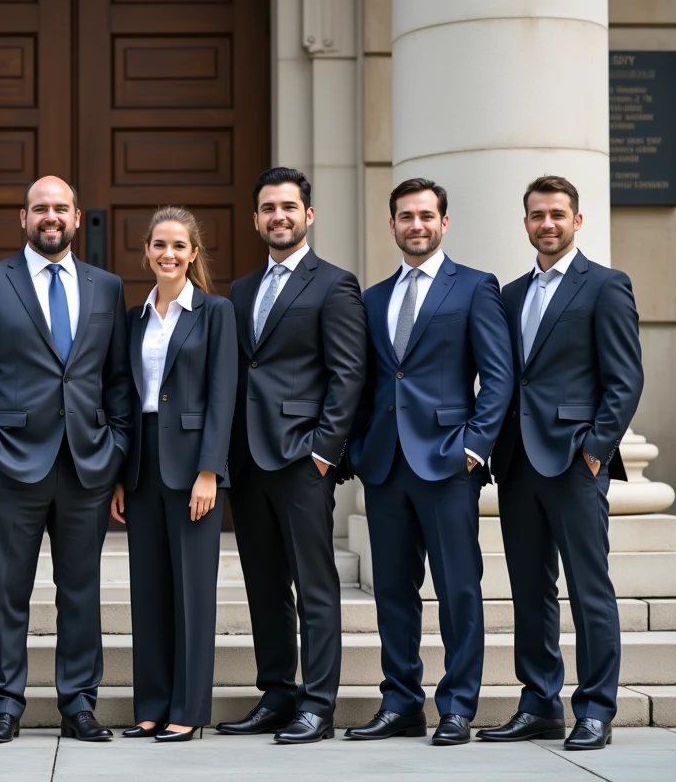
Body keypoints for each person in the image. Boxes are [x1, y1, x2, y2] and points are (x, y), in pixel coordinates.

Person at [0, 175, 132, 744]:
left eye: (60, 208)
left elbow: (118, 379)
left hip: (86, 465)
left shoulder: (106, 287)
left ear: (77, 218)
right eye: (39, 209)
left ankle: (79, 703)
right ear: (23, 219)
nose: (50, 217)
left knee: (81, 591)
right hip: (9, 464)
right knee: (6, 590)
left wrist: (118, 447)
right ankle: (3, 704)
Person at [346, 178, 513, 746]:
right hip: (386, 464)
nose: (415, 225)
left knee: (458, 587)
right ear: (391, 225)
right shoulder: (372, 298)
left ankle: (459, 706)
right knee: (393, 590)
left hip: (449, 462)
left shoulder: (474, 287)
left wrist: (475, 446)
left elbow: (498, 376)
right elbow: (366, 383)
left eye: (425, 216)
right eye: (404, 217)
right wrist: (358, 448)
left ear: (443, 223)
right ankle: (400, 702)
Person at [478, 175, 643, 751]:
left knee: (588, 588)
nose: (546, 224)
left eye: (556, 214)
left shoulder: (605, 285)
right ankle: (539, 703)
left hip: (575, 461)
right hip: (519, 463)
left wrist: (596, 450)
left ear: (577, 220)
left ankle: (596, 708)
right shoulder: (512, 294)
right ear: (525, 223)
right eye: (536, 215)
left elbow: (625, 381)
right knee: (530, 589)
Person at [218, 167, 367, 744]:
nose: (278, 216)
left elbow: (348, 373)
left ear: (308, 215)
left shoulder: (334, 283)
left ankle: (318, 703)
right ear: (257, 219)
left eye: (288, 206)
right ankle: (277, 693)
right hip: (250, 461)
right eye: (268, 208)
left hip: (304, 459)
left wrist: (324, 453)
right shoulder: (241, 290)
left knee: (314, 584)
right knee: (263, 583)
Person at [109, 207, 237, 742]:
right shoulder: (134, 318)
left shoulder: (215, 312)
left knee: (192, 593)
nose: (168, 254)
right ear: (146, 252)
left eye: (179, 246)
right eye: (159, 244)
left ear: (193, 253)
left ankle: (186, 709)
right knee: (150, 592)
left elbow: (223, 395)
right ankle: (151, 705)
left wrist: (210, 470)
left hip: (192, 469)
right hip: (141, 467)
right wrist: (117, 474)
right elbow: (121, 394)